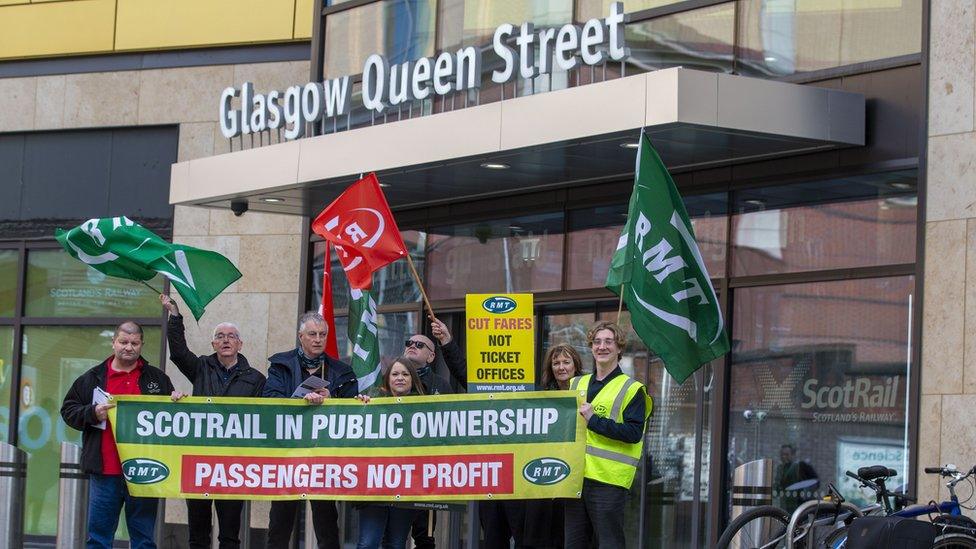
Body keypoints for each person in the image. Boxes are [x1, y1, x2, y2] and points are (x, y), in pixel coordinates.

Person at [160, 294, 266, 549]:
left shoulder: (256, 379)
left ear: (240, 344)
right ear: (213, 343)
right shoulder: (200, 368)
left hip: (233, 464)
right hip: (201, 461)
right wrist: (175, 316)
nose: (226, 340)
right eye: (220, 336)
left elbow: (266, 417)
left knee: (230, 535)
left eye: (231, 336)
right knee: (198, 534)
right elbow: (178, 351)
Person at [60, 321, 176, 549]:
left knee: (143, 540)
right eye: (123, 342)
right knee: (99, 539)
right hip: (105, 471)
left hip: (144, 470)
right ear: (113, 343)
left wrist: (176, 401)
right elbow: (68, 411)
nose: (128, 347)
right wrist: (92, 413)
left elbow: (172, 419)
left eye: (134, 343)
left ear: (142, 344)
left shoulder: (156, 379)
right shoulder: (92, 378)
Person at [263, 311, 358, 549]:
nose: (318, 339)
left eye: (322, 334)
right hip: (289, 454)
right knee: (280, 525)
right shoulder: (280, 366)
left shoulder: (341, 371)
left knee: (326, 524)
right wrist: (303, 397)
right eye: (312, 334)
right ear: (300, 336)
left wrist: (333, 398)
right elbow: (271, 398)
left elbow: (352, 409)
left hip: (325, 457)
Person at [565, 321, 652, 549]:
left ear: (619, 349)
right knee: (574, 543)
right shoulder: (576, 383)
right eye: (597, 342)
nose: (602, 346)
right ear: (591, 347)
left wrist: (595, 421)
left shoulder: (632, 389)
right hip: (574, 479)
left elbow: (633, 433)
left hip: (608, 482)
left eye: (608, 342)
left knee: (609, 544)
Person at [402, 316, 467, 549]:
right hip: (396, 470)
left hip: (427, 471)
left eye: (419, 345)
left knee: (424, 535)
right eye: (409, 342)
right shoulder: (389, 382)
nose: (412, 346)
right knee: (394, 536)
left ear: (431, 356)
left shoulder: (441, 385)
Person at [355, 357, 426, 549]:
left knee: (395, 544)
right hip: (375, 487)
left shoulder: (427, 409)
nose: (400, 378)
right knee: (368, 543)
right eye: (395, 374)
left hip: (407, 487)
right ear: (388, 380)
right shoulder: (373, 404)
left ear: (413, 379)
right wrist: (359, 407)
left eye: (405, 374)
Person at [523, 344, 584, 549]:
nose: (561, 367)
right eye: (556, 363)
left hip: (576, 480)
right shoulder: (541, 397)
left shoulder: (588, 394)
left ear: (576, 365)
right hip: (543, 478)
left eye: (566, 362)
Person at [773, 443, 819, 513]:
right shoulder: (780, 468)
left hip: (799, 504)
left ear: (792, 455)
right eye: (782, 454)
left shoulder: (801, 466)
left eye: (787, 454)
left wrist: (805, 493)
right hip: (785, 504)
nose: (784, 457)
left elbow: (815, 481)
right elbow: (778, 485)